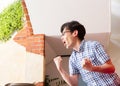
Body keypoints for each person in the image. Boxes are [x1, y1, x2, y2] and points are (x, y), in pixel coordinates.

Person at [54, 21, 120, 86]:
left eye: (63, 34)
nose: (61, 37)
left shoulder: (94, 45)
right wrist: (60, 69)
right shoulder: (72, 59)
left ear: (75, 33)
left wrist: (92, 68)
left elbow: (111, 68)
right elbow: (74, 83)